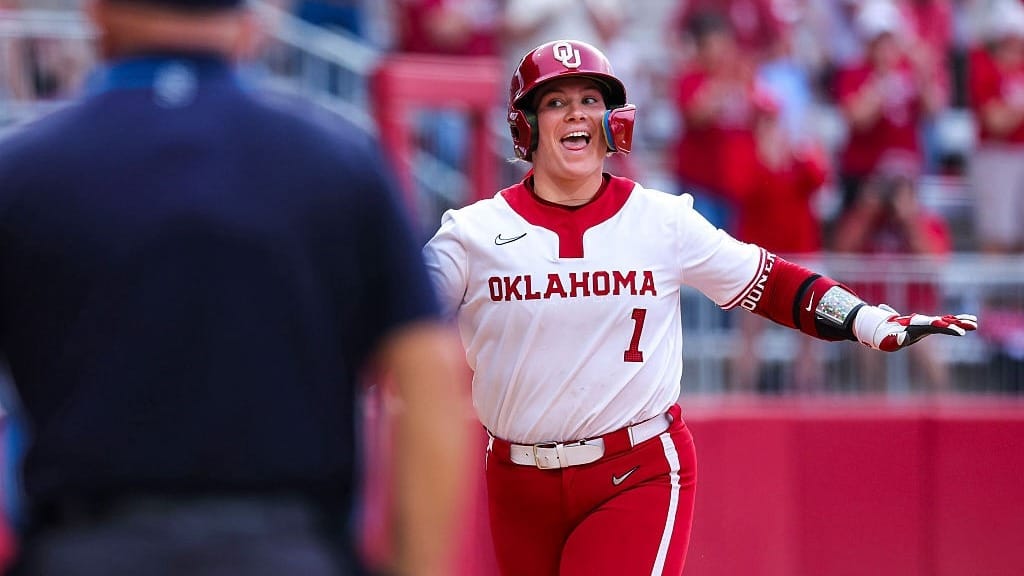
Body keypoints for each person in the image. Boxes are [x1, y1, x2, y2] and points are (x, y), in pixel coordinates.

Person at [421, 39, 978, 576]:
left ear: (614, 120)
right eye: (556, 102)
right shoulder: (473, 233)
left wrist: (866, 319)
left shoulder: (662, 221)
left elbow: (770, 281)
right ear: (525, 125)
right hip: (517, 480)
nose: (577, 114)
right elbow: (396, 316)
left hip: (634, 469)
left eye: (590, 99)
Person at [0, 1, 470, 575]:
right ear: (250, 26)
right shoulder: (336, 162)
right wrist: (411, 565)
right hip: (287, 548)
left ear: (98, 13)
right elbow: (427, 368)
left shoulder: (23, 169)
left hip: (85, 548)